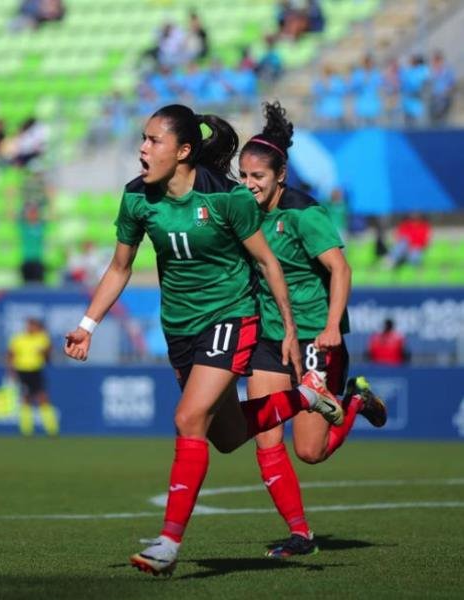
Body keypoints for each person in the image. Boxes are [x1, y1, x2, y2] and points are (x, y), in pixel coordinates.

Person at [63, 104, 344, 577]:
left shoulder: (226, 198)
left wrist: (292, 331)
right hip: (179, 328)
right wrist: (87, 325)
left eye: (154, 140)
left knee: (188, 417)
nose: (143, 148)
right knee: (227, 436)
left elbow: (269, 264)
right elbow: (119, 268)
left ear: (184, 151)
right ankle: (304, 397)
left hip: (231, 316)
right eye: (144, 139)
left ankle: (168, 543)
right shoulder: (137, 198)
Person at [238, 102, 387, 558]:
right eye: (242, 176)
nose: (248, 185)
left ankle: (355, 399)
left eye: (257, 177)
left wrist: (330, 329)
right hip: (270, 337)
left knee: (310, 451)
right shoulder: (243, 211)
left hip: (315, 340)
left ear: (280, 176)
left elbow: (339, 270)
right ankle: (301, 535)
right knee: (264, 435)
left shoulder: (304, 214)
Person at [7, 317, 57, 436]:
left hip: (36, 370)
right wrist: (11, 371)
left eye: (33, 325)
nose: (31, 327)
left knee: (43, 398)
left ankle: (52, 429)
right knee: (26, 399)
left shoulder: (42, 338)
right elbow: (11, 355)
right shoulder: (18, 339)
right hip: (22, 371)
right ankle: (26, 430)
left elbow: (48, 355)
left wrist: (45, 352)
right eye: (29, 325)